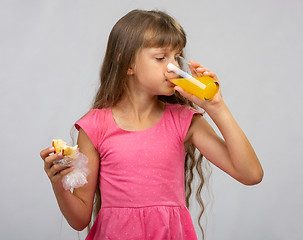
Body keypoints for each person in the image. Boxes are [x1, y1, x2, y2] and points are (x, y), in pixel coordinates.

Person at [40, 9, 263, 240]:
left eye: (176, 57)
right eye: (161, 58)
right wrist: (59, 182)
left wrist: (217, 107)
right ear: (127, 65)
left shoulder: (184, 121)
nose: (174, 67)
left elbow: (251, 174)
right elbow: (79, 220)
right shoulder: (95, 127)